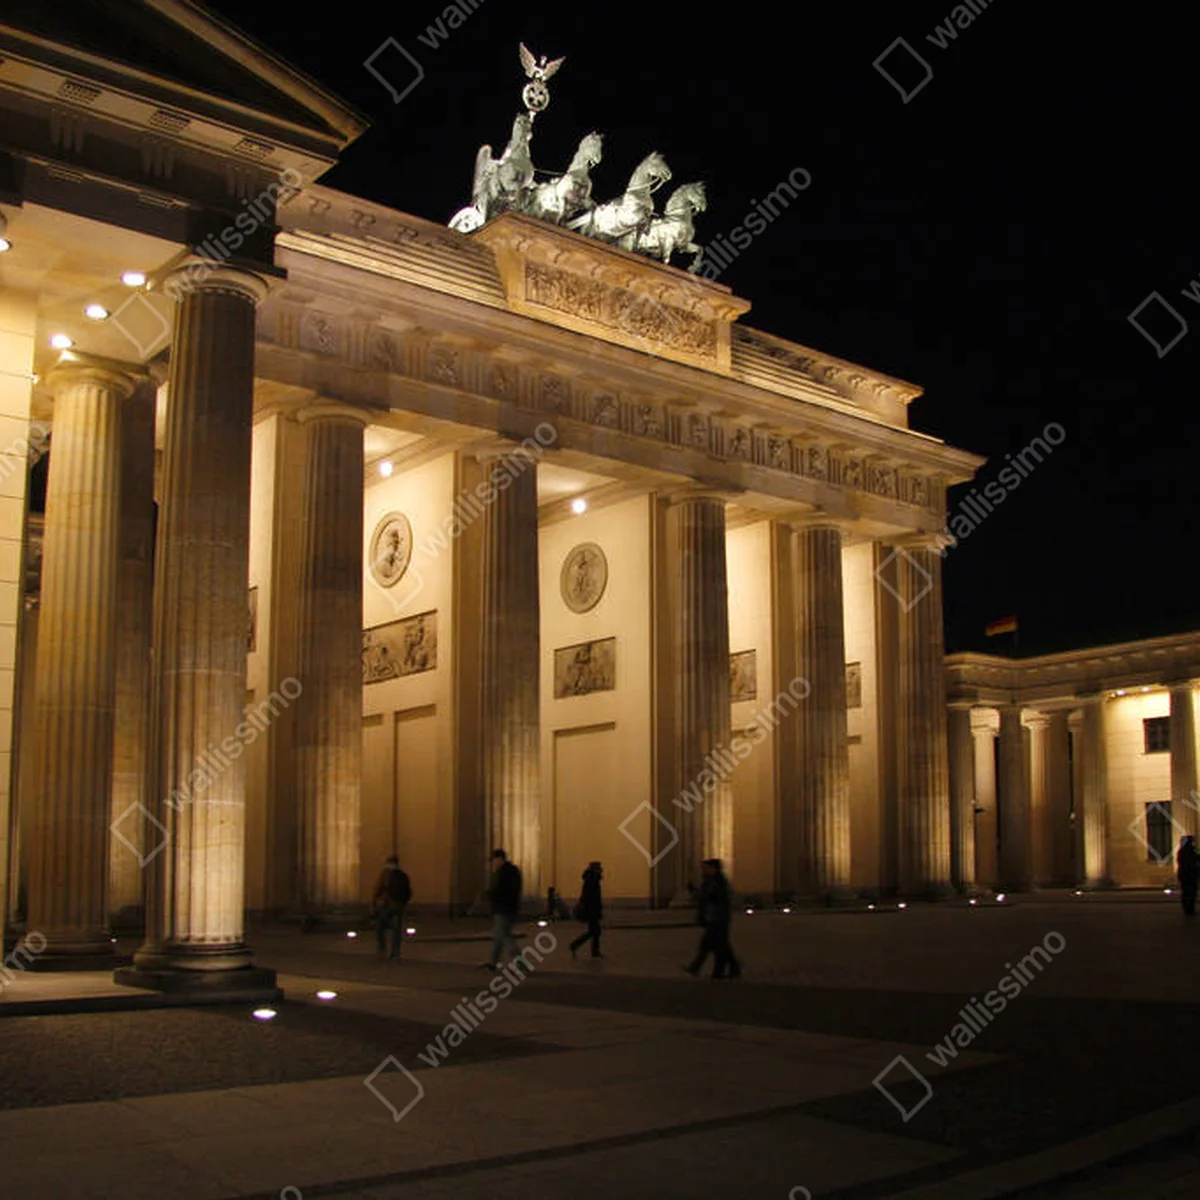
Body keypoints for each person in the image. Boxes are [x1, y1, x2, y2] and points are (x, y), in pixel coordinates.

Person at [684, 858, 741, 979]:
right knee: (718, 944)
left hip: (717, 918)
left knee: (715, 945)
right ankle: (731, 967)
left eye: (706, 868)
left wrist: (695, 893)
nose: (703, 870)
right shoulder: (712, 881)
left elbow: (709, 899)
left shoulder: (717, 883)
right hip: (715, 917)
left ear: (713, 869)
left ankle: (716, 971)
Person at [484, 848, 522, 970]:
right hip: (510, 908)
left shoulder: (502, 873)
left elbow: (500, 890)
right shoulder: (513, 871)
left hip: (503, 908)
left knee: (503, 935)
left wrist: (490, 895)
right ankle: (493, 962)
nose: (493, 863)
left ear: (500, 859)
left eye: (494, 860)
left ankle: (519, 960)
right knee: (499, 936)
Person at [373, 855, 412, 960]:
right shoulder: (399, 875)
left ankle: (386, 950)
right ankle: (393, 952)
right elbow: (408, 892)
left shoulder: (387, 875)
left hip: (390, 905)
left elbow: (379, 889)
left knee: (382, 926)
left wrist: (376, 902)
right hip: (395, 905)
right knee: (393, 929)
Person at [569, 862, 604, 958]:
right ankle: (576, 945)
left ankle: (592, 950)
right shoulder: (592, 880)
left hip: (592, 909)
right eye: (599, 867)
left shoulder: (591, 879)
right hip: (591, 910)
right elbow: (590, 897)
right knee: (594, 931)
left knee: (594, 931)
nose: (602, 869)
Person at [1178, 835, 1198, 916]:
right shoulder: (1188, 851)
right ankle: (1189, 909)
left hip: (1185, 875)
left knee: (1187, 893)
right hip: (1189, 876)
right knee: (1190, 893)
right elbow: (1191, 864)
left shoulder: (1182, 851)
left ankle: (1188, 909)